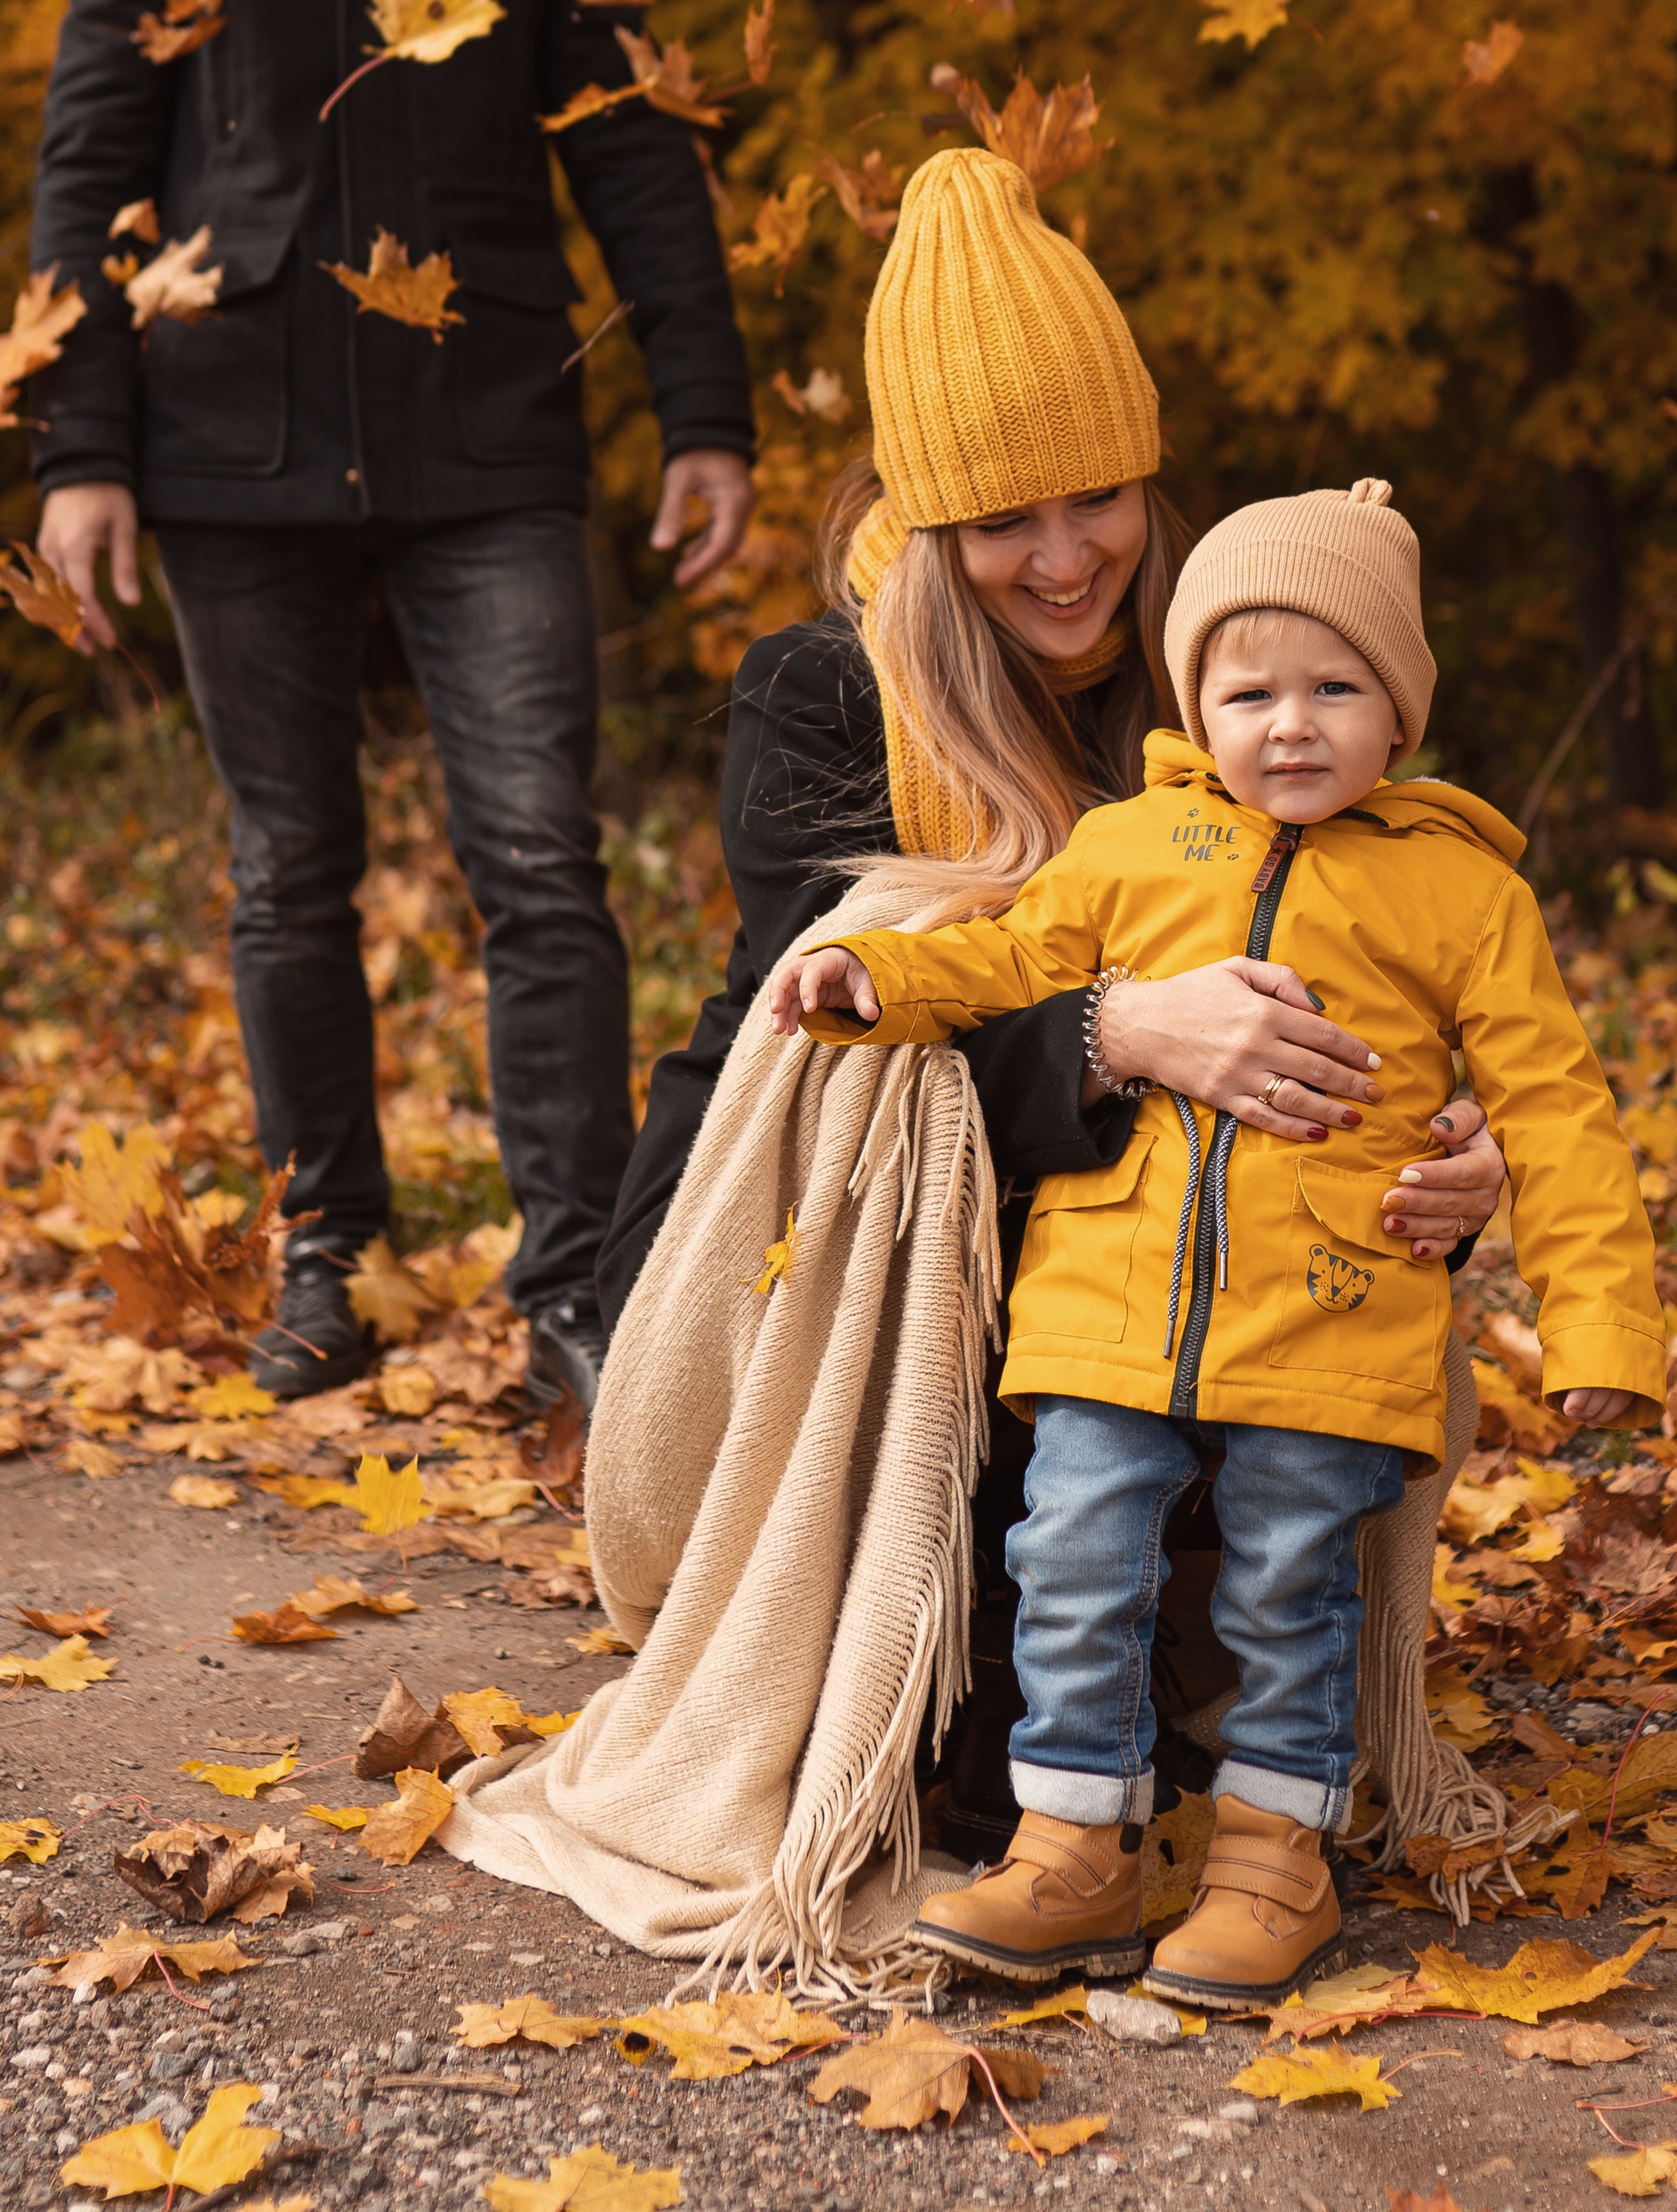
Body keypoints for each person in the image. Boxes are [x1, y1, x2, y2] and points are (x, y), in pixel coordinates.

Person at [593, 147, 1506, 1854]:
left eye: (1095, 499)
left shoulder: (1241, 676)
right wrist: (1117, 1030)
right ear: (933, 524)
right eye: (1004, 519)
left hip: (1145, 1230)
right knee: (966, 1791)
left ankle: (1207, 1646)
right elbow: (834, 1029)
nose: (1064, 555)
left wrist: (1449, 1152)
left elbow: (1383, 952)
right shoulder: (820, 696)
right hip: (837, 1237)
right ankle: (996, 1666)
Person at [30, 0, 756, 1411]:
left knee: (543, 865)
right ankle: (324, 1259)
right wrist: (77, 448)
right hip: (227, 443)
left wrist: (704, 407)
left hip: (487, 434)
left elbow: (631, 152)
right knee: (288, 874)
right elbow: (94, 157)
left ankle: (577, 1290)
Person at [776, 476, 1668, 2000]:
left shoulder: (1464, 893)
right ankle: (1075, 1847)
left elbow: (1560, 1117)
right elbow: (1006, 961)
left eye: (1339, 687)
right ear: (1198, 703)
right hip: (1108, 1306)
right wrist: (872, 976)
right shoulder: (1130, 848)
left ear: (1404, 711)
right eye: (1251, 691)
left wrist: (1601, 1333)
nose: (1293, 724)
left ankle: (1274, 1863)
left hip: (1336, 1313)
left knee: (1287, 1588)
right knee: (1072, 1557)